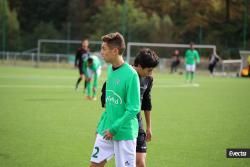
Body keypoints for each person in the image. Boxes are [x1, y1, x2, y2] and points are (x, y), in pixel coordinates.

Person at [101, 48, 159, 167]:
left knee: (140, 163)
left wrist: (149, 127)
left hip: (137, 124)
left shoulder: (148, 79)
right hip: (121, 124)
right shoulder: (124, 73)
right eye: (149, 70)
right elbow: (106, 96)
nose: (151, 73)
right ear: (140, 66)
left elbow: (146, 103)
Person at [89, 32, 140, 167]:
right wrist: (101, 126)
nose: (101, 53)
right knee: (94, 165)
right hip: (107, 130)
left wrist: (115, 128)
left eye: (104, 49)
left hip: (124, 133)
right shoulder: (111, 70)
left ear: (115, 51)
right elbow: (110, 103)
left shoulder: (131, 75)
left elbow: (134, 108)